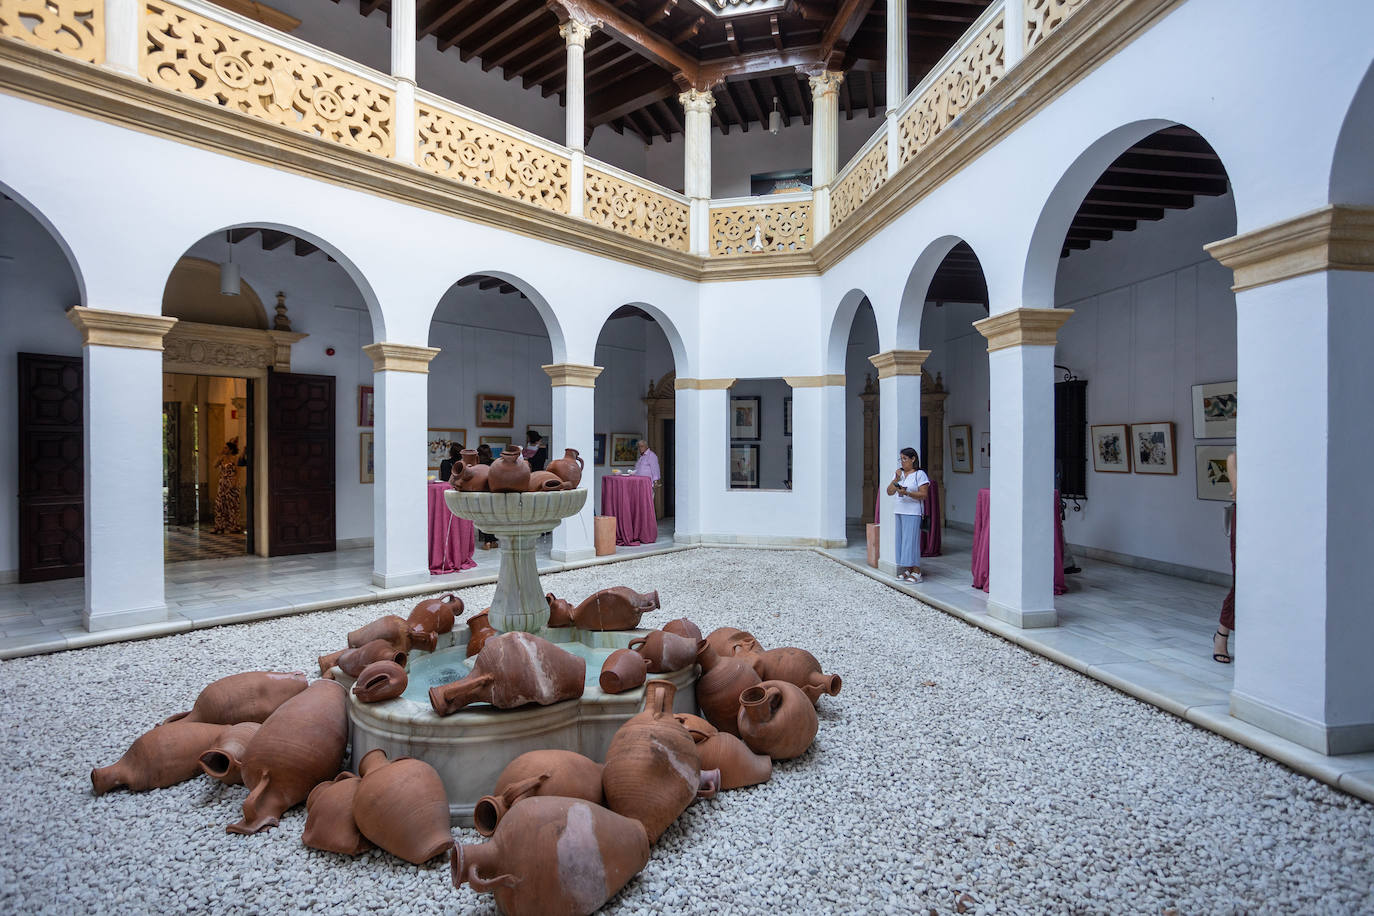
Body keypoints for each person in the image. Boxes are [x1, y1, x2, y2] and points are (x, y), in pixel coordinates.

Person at [886, 447, 929, 583]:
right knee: (902, 540)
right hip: (899, 509)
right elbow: (889, 491)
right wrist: (897, 479)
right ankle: (907, 569)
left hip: (912, 511)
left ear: (913, 459)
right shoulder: (900, 474)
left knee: (911, 541)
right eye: (901, 459)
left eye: (905, 459)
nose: (902, 462)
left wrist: (908, 493)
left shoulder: (919, 474)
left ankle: (917, 571)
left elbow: (923, 494)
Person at [1213, 449, 1237, 663]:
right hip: (1247, 520)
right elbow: (1238, 492)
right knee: (1242, 582)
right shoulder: (1234, 459)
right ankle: (1222, 635)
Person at [212, 438, 242, 535]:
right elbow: (214, 465)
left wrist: (234, 483)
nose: (224, 449)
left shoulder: (235, 458)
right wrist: (220, 455)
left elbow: (238, 472)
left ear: (230, 449)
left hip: (232, 483)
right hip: (222, 484)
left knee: (232, 505)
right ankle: (219, 526)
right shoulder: (222, 458)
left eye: (225, 448)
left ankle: (234, 526)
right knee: (219, 505)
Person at [476, 444, 498, 549]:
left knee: (483, 517)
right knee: (492, 517)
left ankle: (487, 541)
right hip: (493, 491)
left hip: (480, 492)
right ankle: (493, 540)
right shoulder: (494, 463)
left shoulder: (476, 464)